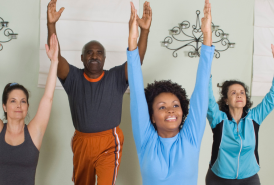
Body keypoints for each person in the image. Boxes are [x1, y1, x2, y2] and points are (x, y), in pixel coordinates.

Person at [46, 0, 152, 184]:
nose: (94, 55)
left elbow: (136, 61)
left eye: (99, 52)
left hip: (109, 142)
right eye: (89, 52)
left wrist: (144, 31)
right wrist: (51, 24)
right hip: (82, 142)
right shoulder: (73, 78)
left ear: (104, 58)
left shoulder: (116, 77)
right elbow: (55, 56)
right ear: (82, 57)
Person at [127, 0, 214, 184]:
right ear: (151, 116)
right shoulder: (146, 140)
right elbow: (135, 90)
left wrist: (207, 35)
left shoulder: (191, 136)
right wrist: (132, 40)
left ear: (183, 111)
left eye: (175, 105)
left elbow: (200, 92)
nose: (171, 110)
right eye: (162, 107)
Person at [205, 46, 274, 185]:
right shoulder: (218, 119)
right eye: (233, 93)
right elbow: (206, 96)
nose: (239, 95)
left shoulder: (254, 117)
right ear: (226, 99)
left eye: (242, 92)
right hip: (219, 177)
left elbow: (272, 97)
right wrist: (206, 64)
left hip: (249, 177)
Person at [0, 34, 59, 185]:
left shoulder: (33, 132)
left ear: (27, 106)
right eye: (13, 101)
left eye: (23, 101)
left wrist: (54, 62)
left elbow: (48, 97)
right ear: (4, 107)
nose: (18, 105)